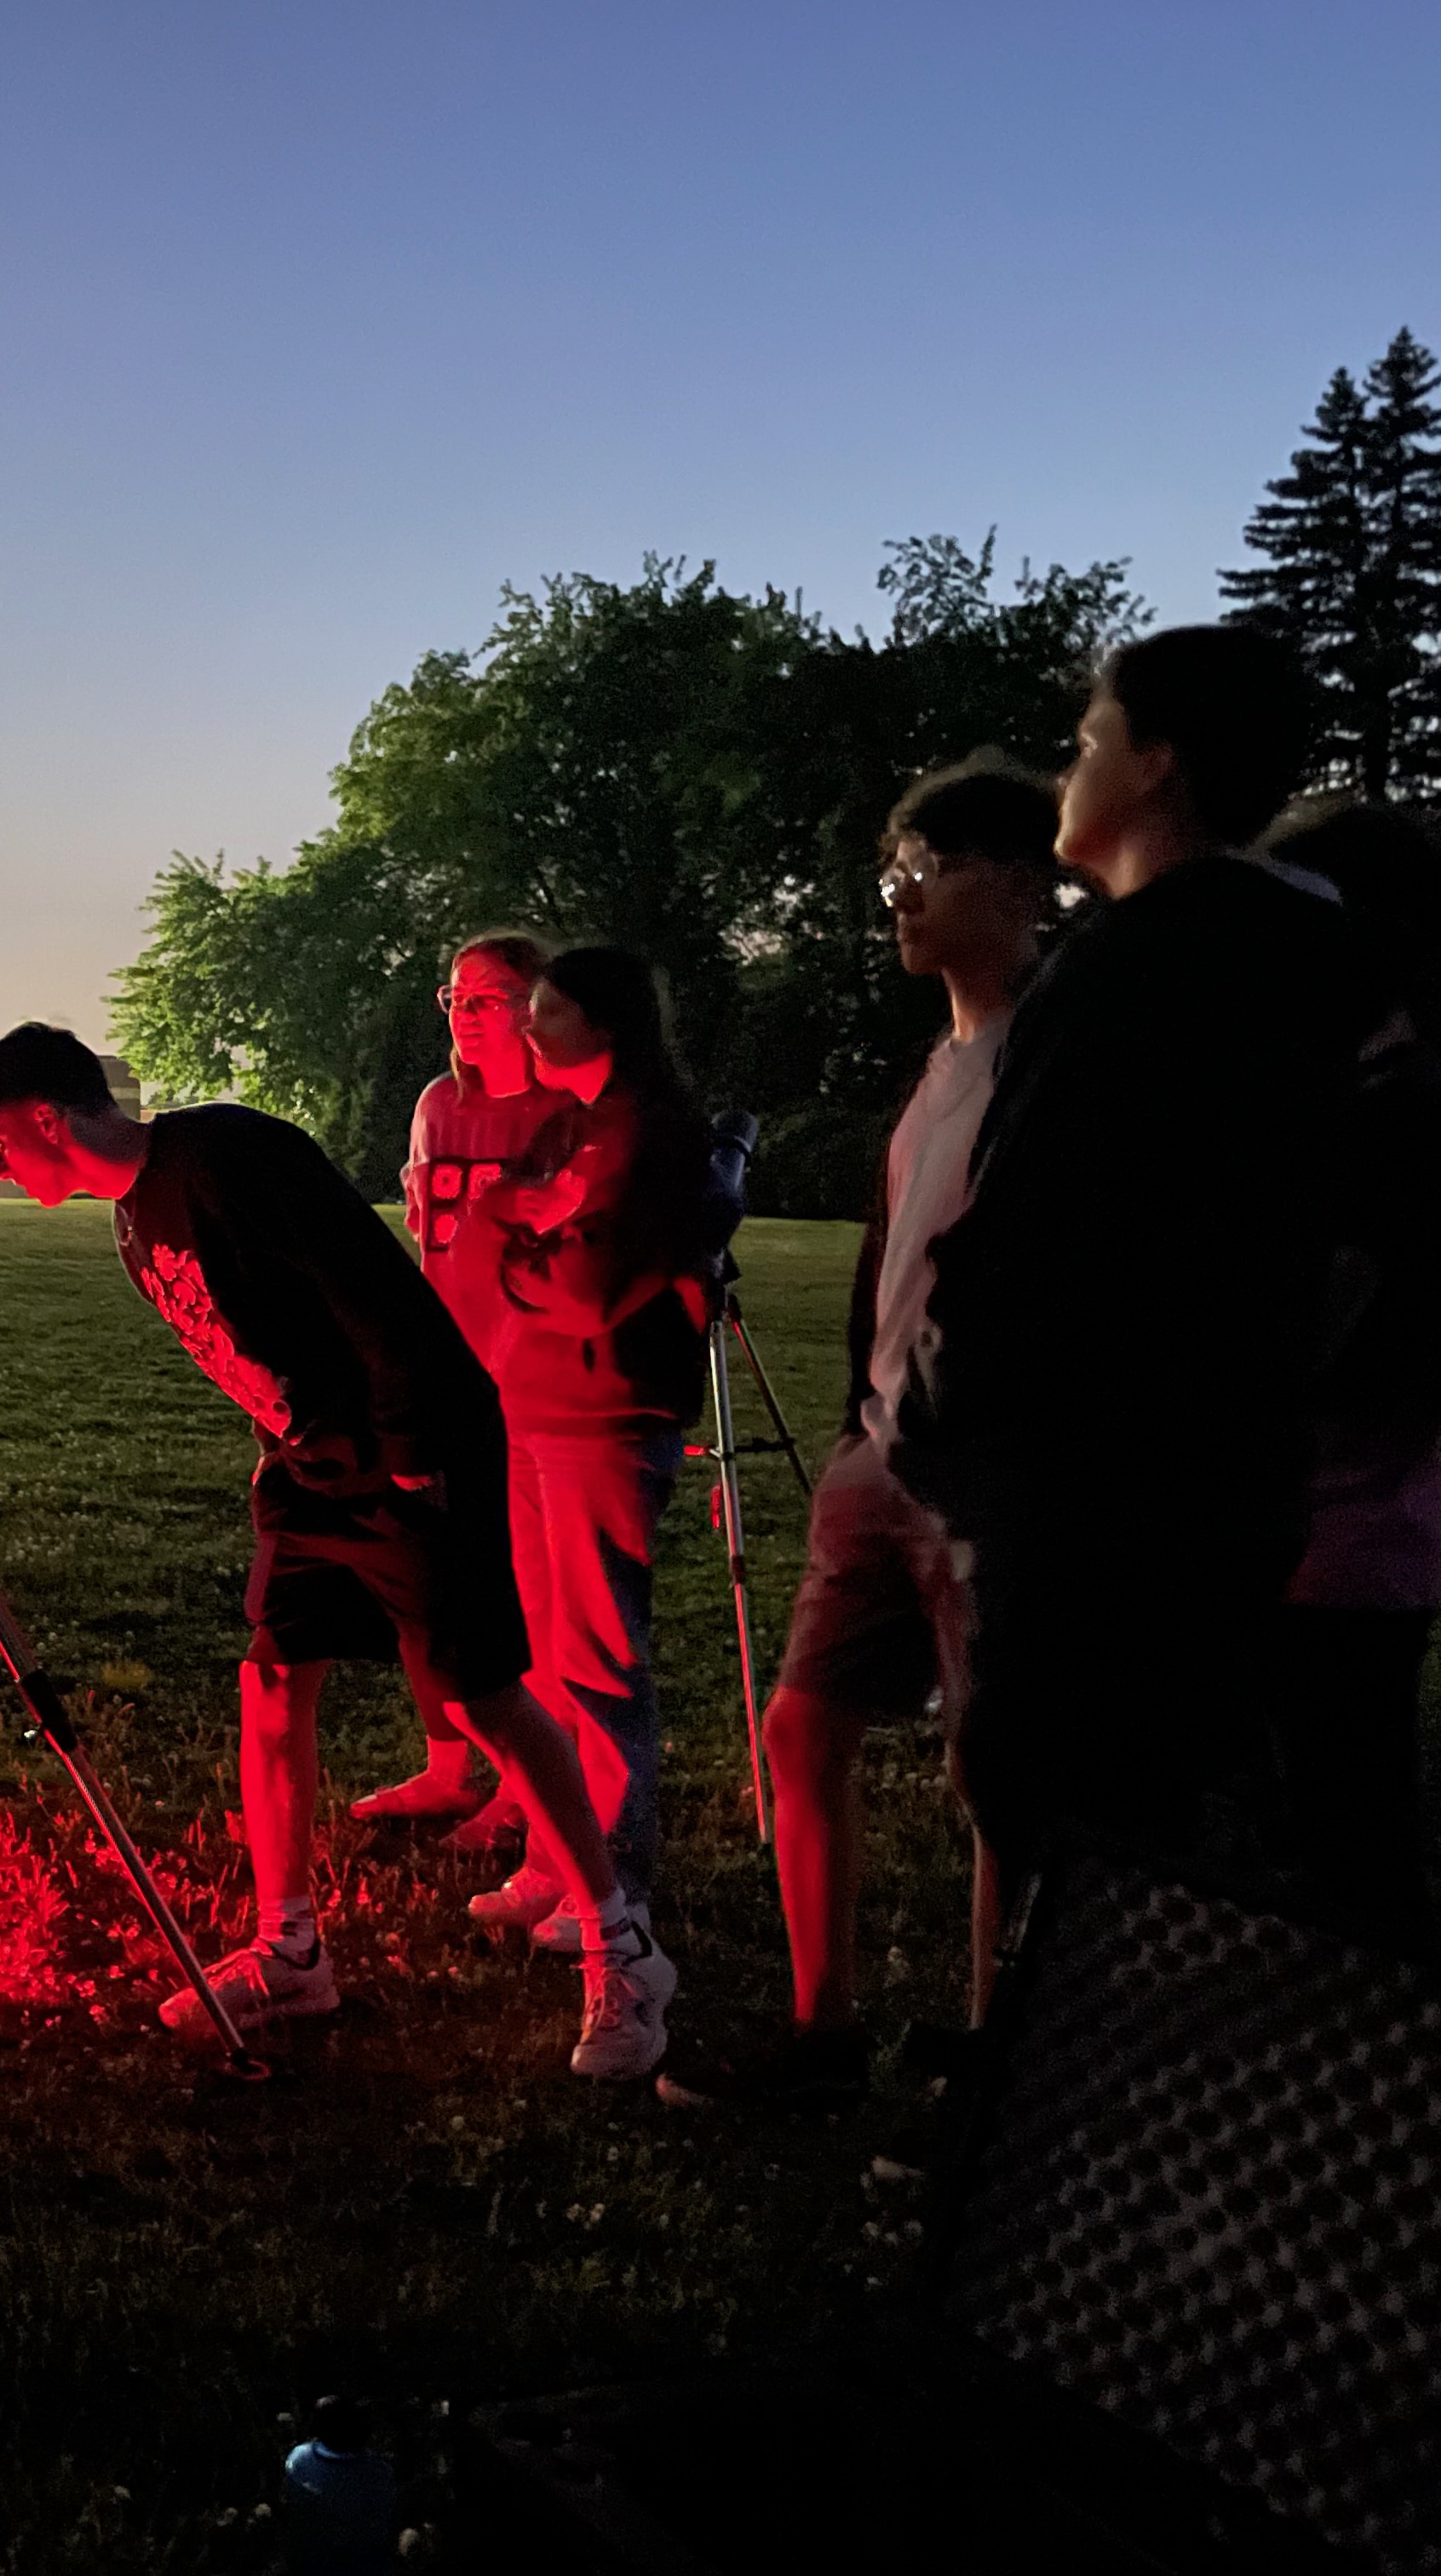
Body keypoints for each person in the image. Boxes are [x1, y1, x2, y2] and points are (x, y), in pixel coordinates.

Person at [0, 1023, 672, 2078]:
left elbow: (371, 1292)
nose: (1, 1168)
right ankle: (291, 1950)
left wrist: (414, 1454)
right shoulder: (130, 1220)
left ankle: (623, 1947)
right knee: (272, 1687)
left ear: (41, 1117)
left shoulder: (225, 1154)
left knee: (482, 1694)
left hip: (408, 1445)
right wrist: (281, 1452)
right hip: (309, 1468)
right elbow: (252, 1343)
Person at [897, 628, 1382, 1922]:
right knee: (1148, 1833)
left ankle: (1066, 2107)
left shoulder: (1134, 966)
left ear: (1157, 765)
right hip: (1220, 1482)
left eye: (1090, 739)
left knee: (1065, 1828)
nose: (1074, 764)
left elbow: (1028, 1234)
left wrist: (947, 1433)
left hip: (1085, 1501)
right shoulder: (1309, 960)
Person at [657, 755, 1059, 2113]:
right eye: (891, 871)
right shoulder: (936, 1070)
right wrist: (853, 1428)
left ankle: (1002, 2055)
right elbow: (898, 1262)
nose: (895, 897)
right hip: (880, 1459)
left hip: (991, 1480)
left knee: (997, 1767)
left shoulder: (1058, 1058)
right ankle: (820, 2032)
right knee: (802, 1725)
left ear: (1011, 878)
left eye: (919, 870)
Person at [446, 947, 720, 2027]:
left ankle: (618, 1870)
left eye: (545, 1011)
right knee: (545, 1647)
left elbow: (584, 1290)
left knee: (602, 1656)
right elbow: (514, 1229)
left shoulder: (647, 1132)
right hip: (532, 1412)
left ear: (603, 1020)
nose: (527, 1029)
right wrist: (523, 1221)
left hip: (607, 1419)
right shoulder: (570, 1123)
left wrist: (517, 1237)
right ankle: (560, 1857)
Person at [1255, 798, 1441, 1932]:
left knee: (1344, 1836)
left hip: (1343, 1535)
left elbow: (1307, 1327)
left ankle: (1373, 2049)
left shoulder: (1396, 1118)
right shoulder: (1367, 1101)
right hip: (1337, 1527)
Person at [354, 930, 565, 1845]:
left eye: (486, 997)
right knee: (432, 1574)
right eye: (455, 999)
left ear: (534, 1006)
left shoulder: (560, 1112)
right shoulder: (440, 1105)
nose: (465, 1015)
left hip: (529, 1374)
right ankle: (450, 1764)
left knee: (528, 1586)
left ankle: (528, 1784)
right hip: (442, 1366)